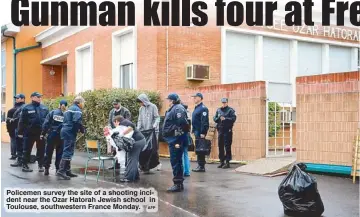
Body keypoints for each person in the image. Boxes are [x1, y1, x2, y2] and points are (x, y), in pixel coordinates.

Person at [162, 93, 190, 192]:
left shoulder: (178, 109)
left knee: (176, 161)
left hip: (176, 140)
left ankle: (177, 184)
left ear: (172, 101)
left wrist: (177, 138)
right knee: (176, 161)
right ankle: (178, 183)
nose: (168, 102)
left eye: (169, 100)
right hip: (174, 139)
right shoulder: (175, 108)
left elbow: (183, 124)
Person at [17, 92, 49, 172]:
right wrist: (20, 132)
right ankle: (24, 165)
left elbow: (47, 121)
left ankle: (40, 165)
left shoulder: (44, 108)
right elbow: (22, 121)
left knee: (41, 150)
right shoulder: (26, 108)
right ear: (32, 97)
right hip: (29, 132)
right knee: (27, 149)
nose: (39, 98)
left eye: (40, 97)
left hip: (41, 133)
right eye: (37, 97)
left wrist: (47, 131)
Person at [57, 96, 86, 180]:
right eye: (83, 103)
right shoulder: (77, 110)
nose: (83, 105)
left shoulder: (69, 108)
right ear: (79, 103)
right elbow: (77, 121)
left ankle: (67, 170)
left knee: (68, 150)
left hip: (65, 131)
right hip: (70, 132)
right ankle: (61, 171)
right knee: (68, 151)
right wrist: (81, 129)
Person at [111, 115, 146, 182]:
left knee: (131, 159)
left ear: (117, 121)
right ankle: (135, 176)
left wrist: (121, 134)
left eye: (114, 123)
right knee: (133, 159)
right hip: (140, 141)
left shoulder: (124, 122)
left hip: (137, 142)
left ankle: (129, 178)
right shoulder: (124, 122)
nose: (115, 125)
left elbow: (132, 126)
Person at [41, 100, 68, 176]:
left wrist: (43, 134)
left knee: (48, 152)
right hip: (61, 135)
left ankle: (46, 169)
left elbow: (46, 124)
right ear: (66, 106)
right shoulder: (66, 114)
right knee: (59, 153)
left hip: (52, 134)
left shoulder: (52, 112)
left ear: (59, 105)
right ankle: (57, 169)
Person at [137, 93, 161, 172]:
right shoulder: (141, 109)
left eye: (141, 102)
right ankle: (145, 164)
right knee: (145, 148)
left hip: (153, 131)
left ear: (144, 100)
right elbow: (140, 120)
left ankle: (157, 163)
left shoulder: (153, 106)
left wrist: (154, 125)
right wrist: (138, 129)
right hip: (144, 132)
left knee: (153, 148)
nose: (140, 104)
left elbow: (157, 117)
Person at [108, 99, 131, 171]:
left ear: (119, 103)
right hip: (114, 132)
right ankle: (116, 164)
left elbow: (127, 122)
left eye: (116, 104)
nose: (115, 106)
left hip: (122, 132)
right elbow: (110, 121)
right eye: (114, 104)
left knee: (122, 148)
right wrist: (110, 129)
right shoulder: (112, 111)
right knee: (115, 148)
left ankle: (125, 165)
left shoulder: (125, 111)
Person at [213, 98, 237, 169]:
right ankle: (221, 161)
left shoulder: (231, 110)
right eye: (222, 102)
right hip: (220, 130)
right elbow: (214, 118)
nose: (223, 104)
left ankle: (227, 162)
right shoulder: (218, 110)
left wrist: (225, 119)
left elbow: (233, 119)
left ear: (227, 102)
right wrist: (218, 118)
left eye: (225, 102)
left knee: (227, 146)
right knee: (220, 145)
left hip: (227, 130)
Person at [191, 93, 209, 173]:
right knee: (198, 148)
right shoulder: (197, 108)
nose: (194, 98)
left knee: (201, 149)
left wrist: (203, 132)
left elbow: (204, 122)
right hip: (196, 131)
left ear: (200, 98)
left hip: (200, 132)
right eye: (193, 97)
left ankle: (201, 166)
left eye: (195, 97)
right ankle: (199, 165)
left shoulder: (203, 108)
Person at [6, 94, 26, 160]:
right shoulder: (12, 110)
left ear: (23, 99)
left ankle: (19, 156)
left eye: (18, 98)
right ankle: (15, 155)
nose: (16, 99)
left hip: (21, 129)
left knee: (20, 142)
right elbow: (8, 120)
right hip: (14, 128)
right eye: (16, 98)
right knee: (14, 141)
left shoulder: (24, 108)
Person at [181, 102, 191, 177]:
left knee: (180, 154)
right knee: (185, 154)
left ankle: (182, 171)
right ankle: (187, 171)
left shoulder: (181, 114)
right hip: (187, 135)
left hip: (181, 135)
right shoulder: (188, 114)